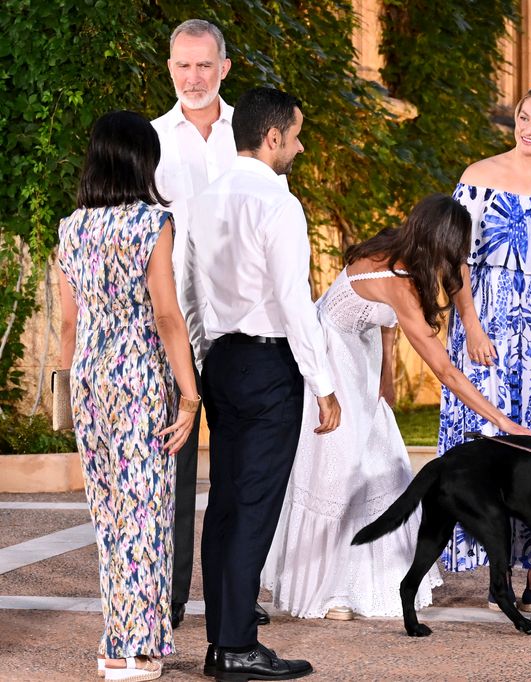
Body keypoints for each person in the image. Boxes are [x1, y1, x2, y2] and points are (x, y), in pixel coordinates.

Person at [262, 194, 531, 620]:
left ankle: (377, 582)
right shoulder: (398, 280)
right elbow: (444, 371)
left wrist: (385, 375)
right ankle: (333, 591)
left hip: (361, 352)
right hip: (332, 356)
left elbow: (383, 322)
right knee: (340, 469)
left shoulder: (404, 250)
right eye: (456, 250)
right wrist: (503, 421)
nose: (459, 260)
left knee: (383, 460)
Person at [183, 87, 340, 681]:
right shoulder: (279, 202)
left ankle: (223, 641)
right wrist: (321, 381)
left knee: (224, 503)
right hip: (269, 364)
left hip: (220, 360)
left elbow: (190, 291)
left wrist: (205, 357)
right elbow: (292, 300)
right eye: (296, 136)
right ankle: (236, 647)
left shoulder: (206, 198)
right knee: (252, 509)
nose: (298, 147)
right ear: (272, 137)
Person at [57, 110, 200, 681]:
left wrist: (66, 400)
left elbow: (67, 327)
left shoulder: (72, 227)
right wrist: (190, 397)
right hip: (139, 377)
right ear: (144, 160)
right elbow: (167, 315)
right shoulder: (151, 221)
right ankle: (138, 650)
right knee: (145, 512)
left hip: (90, 380)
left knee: (110, 515)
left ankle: (113, 641)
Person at [437, 82, 531, 611]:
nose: (527, 129)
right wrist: (470, 324)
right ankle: (490, 564)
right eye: (523, 117)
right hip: (486, 321)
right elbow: (454, 256)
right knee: (484, 440)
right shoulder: (478, 177)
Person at [150, 18, 251, 630]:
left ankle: (236, 595)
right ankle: (166, 596)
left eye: (204, 65)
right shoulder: (152, 142)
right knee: (174, 472)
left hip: (243, 324)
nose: (193, 77)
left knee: (243, 473)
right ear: (170, 69)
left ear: (224, 67)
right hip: (176, 326)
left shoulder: (251, 132)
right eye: (183, 66)